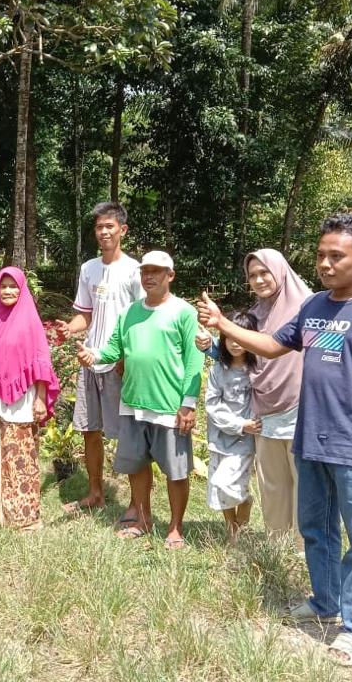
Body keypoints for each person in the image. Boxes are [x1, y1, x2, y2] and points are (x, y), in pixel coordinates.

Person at [197, 213, 352, 667]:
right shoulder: (314, 306)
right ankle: (325, 601)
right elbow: (272, 346)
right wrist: (222, 324)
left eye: (337, 256)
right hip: (309, 439)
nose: (326, 264)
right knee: (315, 528)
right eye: (320, 256)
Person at [75, 251, 204, 550]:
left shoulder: (184, 312)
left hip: (169, 407)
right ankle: (143, 519)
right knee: (136, 466)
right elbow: (113, 350)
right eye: (145, 271)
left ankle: (175, 527)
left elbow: (194, 361)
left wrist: (188, 403)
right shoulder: (129, 312)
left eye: (156, 271)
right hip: (132, 404)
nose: (149, 276)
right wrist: (92, 356)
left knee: (176, 471)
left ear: (170, 275)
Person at [197, 249, 311, 540]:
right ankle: (277, 543)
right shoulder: (255, 315)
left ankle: (303, 547)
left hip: (300, 407)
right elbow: (241, 354)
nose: (259, 280)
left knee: (304, 481)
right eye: (252, 275)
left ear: (280, 271)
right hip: (263, 410)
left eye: (264, 273)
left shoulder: (307, 307)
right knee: (272, 484)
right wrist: (211, 347)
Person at [56, 201, 144, 519]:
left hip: (120, 364)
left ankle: (136, 503)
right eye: (99, 227)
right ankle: (95, 493)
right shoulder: (89, 269)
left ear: (123, 230)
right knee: (89, 429)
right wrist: (70, 328)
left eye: (109, 226)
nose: (104, 232)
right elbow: (86, 315)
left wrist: (126, 358)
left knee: (129, 434)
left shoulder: (135, 271)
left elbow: (141, 320)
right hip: (90, 360)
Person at [0, 268, 59, 530]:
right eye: (3, 287)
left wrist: (40, 398)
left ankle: (26, 518)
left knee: (20, 457)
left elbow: (40, 362)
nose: (7, 291)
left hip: (23, 401)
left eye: (13, 286)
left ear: (22, 289)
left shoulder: (30, 321)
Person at [205, 311, 260, 544]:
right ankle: (233, 531)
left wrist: (248, 426)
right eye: (230, 338)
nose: (236, 343)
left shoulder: (257, 371)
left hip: (244, 442)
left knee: (226, 483)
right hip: (219, 438)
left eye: (241, 337)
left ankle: (245, 505)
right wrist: (238, 424)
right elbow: (212, 404)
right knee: (219, 488)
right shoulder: (218, 370)